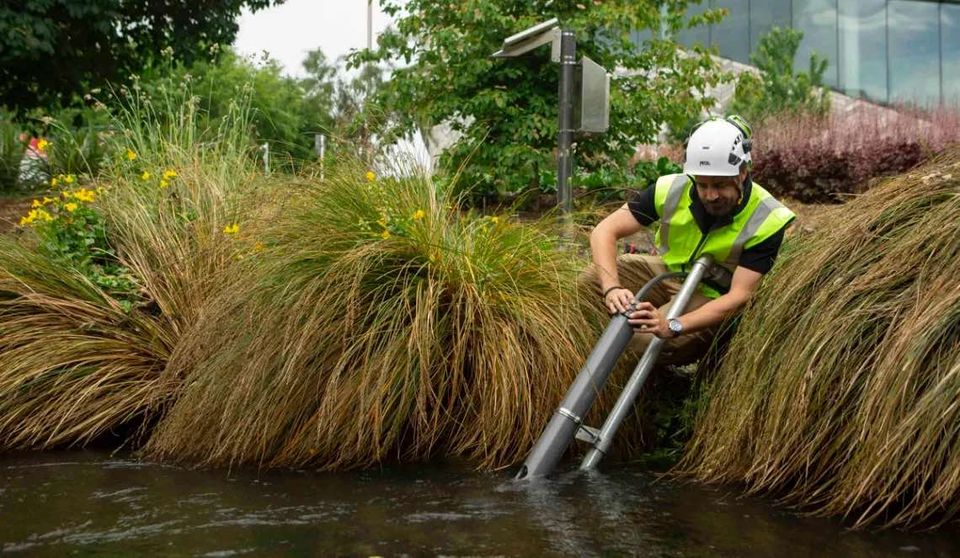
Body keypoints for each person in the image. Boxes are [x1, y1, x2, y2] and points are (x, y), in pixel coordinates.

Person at [585, 115, 796, 365]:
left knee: (642, 340)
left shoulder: (767, 218)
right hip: (666, 271)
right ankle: (590, 350)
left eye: (720, 185)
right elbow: (604, 231)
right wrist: (612, 288)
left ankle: (643, 382)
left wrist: (673, 325)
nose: (710, 195)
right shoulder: (670, 188)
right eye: (702, 184)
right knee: (588, 284)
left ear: (742, 172)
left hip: (711, 294)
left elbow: (740, 296)